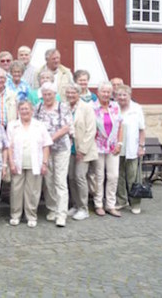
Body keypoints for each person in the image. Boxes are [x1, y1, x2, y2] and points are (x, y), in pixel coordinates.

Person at [7, 100, 53, 228]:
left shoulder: (39, 125)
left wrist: (44, 163)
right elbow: (9, 146)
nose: (24, 111)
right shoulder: (12, 125)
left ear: (32, 111)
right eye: (22, 109)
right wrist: (11, 163)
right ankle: (15, 215)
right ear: (18, 111)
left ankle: (31, 216)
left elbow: (46, 145)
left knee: (33, 191)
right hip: (17, 163)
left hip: (35, 163)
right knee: (16, 191)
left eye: (27, 108)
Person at [34, 82, 73, 227]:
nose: (47, 97)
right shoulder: (38, 107)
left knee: (60, 181)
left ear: (55, 94)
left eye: (50, 94)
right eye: (44, 94)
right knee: (48, 180)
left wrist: (49, 139)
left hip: (61, 148)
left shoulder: (63, 107)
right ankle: (52, 208)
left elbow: (66, 127)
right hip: (45, 150)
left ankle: (62, 214)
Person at [65, 83, 98, 221]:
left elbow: (91, 130)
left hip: (83, 149)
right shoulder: (65, 107)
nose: (71, 95)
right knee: (71, 177)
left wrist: (83, 150)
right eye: (69, 93)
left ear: (78, 94)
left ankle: (84, 208)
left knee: (80, 177)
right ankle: (76, 205)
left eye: (74, 93)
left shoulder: (86, 108)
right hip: (69, 148)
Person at [93, 81, 124, 217]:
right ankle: (98, 204)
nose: (106, 94)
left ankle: (110, 204)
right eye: (103, 92)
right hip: (97, 146)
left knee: (113, 176)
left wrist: (119, 143)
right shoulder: (92, 107)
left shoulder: (115, 106)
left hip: (113, 146)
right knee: (99, 176)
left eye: (108, 92)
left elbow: (120, 126)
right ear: (98, 93)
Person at [115, 85, 146, 215]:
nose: (122, 97)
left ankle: (135, 203)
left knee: (133, 176)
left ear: (129, 95)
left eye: (125, 95)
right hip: (117, 147)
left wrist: (141, 146)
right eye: (119, 95)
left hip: (132, 147)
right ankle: (121, 201)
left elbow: (142, 129)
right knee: (118, 176)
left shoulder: (136, 108)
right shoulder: (114, 107)